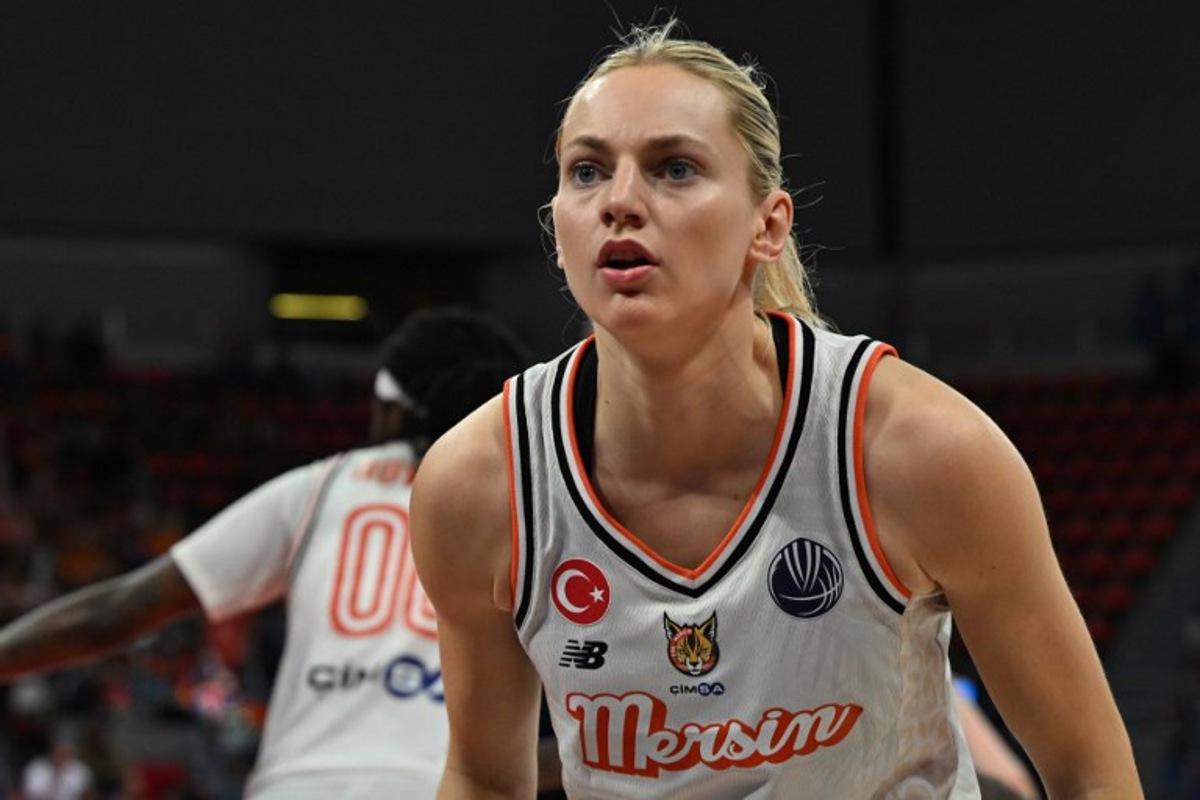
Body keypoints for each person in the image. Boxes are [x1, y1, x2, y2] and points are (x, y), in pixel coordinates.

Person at [409, 24, 1142, 799]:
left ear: (768, 226)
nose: (620, 201)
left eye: (675, 168)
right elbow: (485, 778)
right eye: (587, 171)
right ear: (556, 230)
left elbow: (1090, 773)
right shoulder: (478, 486)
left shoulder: (921, 450)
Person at [0, 308, 528, 799]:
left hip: (300, 783)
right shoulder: (529, 508)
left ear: (390, 408)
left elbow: (114, 611)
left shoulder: (325, 485)